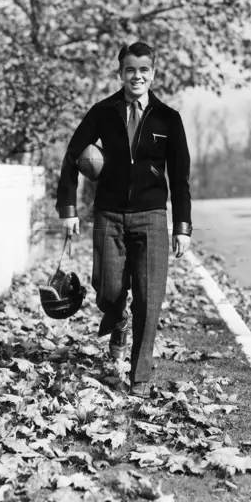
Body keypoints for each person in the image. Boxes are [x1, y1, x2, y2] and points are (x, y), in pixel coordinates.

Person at [56, 41, 192, 398]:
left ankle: (140, 377)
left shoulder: (168, 118)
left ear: (153, 73)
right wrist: (68, 210)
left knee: (150, 298)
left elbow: (180, 178)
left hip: (152, 218)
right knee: (108, 289)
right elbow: (72, 158)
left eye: (143, 70)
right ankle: (117, 321)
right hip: (109, 215)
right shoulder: (103, 112)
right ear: (121, 73)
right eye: (130, 70)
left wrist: (183, 226)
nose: (137, 76)